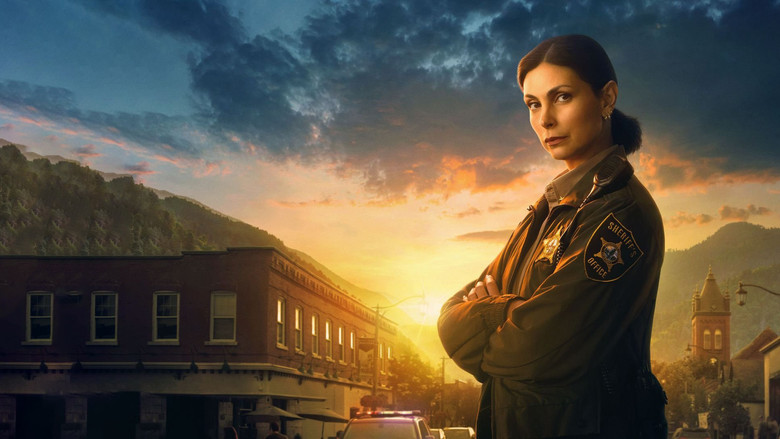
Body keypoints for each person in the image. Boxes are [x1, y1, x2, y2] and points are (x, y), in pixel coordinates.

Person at [438, 34, 667, 438]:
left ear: (606, 98)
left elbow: (535, 353)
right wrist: (511, 312)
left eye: (561, 97)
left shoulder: (621, 214)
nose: (544, 120)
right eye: (533, 104)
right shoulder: (546, 210)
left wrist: (492, 310)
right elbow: (449, 320)